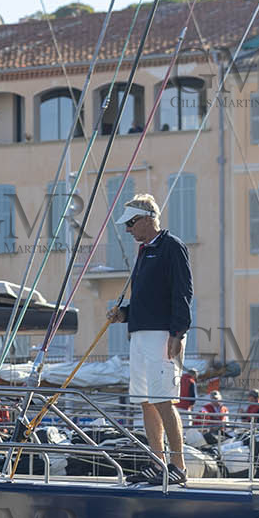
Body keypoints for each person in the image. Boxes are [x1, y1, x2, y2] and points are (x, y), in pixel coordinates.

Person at [106, 194, 192, 486]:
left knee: (164, 400)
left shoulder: (172, 247)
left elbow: (182, 293)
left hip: (161, 336)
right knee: (145, 401)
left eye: (131, 223)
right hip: (140, 334)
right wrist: (125, 314)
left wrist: (178, 334)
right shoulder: (144, 251)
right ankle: (158, 465)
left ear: (146, 219)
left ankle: (177, 466)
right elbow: (148, 298)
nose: (128, 229)